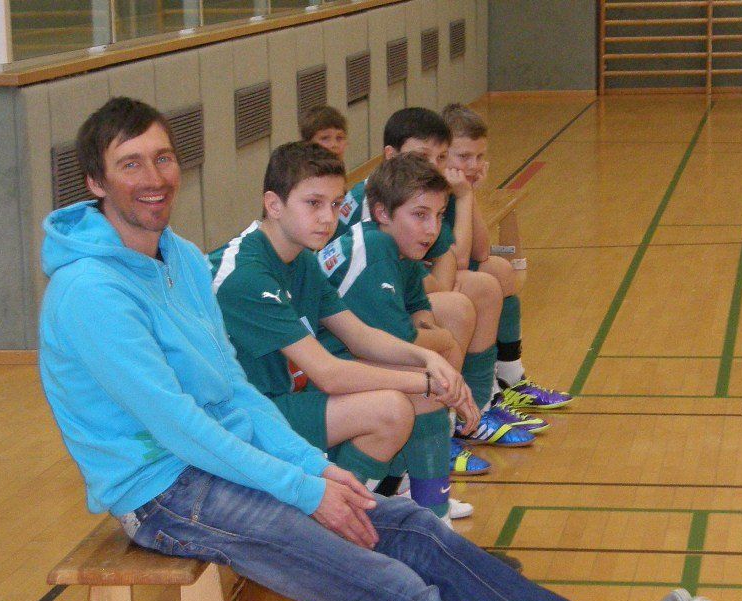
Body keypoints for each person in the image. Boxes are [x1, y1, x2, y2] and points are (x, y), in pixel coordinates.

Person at [38, 97, 714, 601]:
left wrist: (312, 467)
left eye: (162, 157)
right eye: (130, 164)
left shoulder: (180, 260)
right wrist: (305, 488)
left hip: (223, 459)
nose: (154, 177)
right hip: (165, 492)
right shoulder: (90, 292)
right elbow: (180, 427)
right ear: (96, 182)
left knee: (415, 530)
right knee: (385, 585)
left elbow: (234, 392)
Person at [208, 141, 481, 522]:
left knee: (418, 393)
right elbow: (330, 375)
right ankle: (328, 521)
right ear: (274, 205)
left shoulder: (300, 258)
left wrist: (428, 360)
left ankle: (432, 516)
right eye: (313, 203)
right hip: (236, 418)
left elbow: (358, 335)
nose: (328, 218)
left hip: (281, 398)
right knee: (391, 410)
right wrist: (427, 380)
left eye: (336, 204)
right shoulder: (247, 275)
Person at [329, 107, 543, 448]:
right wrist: (439, 333)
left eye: (441, 157)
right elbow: (449, 268)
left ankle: (480, 405)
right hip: (351, 320)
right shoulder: (380, 208)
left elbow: (464, 256)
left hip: (391, 296)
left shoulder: (423, 192)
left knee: (485, 283)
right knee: (455, 314)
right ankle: (445, 427)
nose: (434, 165)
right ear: (391, 156)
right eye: (423, 156)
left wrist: (467, 195)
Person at [442, 103, 571, 410]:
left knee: (500, 269)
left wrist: (471, 194)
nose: (474, 165)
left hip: (446, 267)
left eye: (480, 157)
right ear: (441, 153)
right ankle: (484, 395)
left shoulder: (458, 188)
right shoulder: (433, 192)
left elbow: (481, 249)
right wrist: (465, 195)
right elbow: (461, 261)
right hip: (430, 277)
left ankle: (510, 377)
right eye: (464, 157)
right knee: (484, 286)